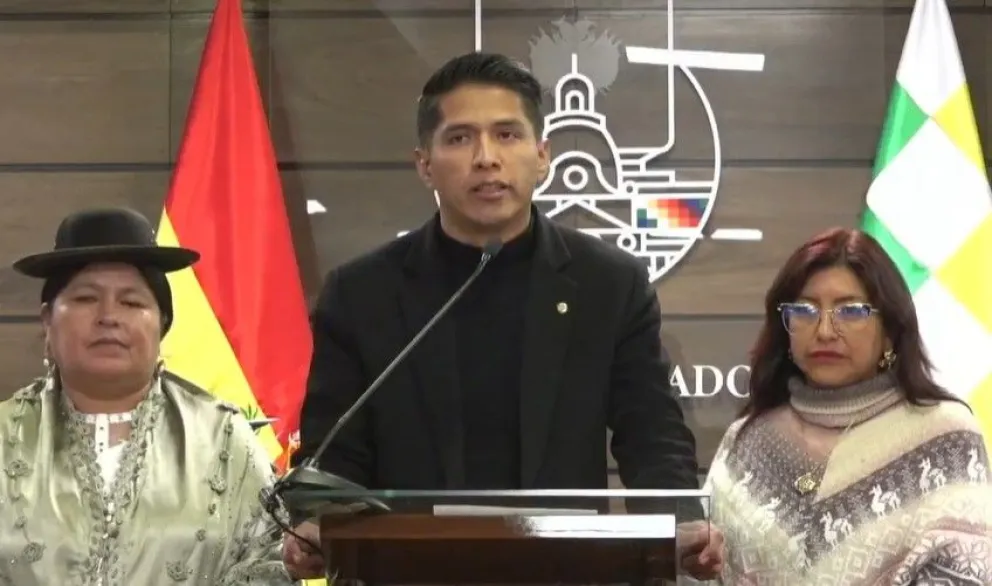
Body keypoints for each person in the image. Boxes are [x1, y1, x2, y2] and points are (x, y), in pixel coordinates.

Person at [283, 51, 722, 581]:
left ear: (542, 156)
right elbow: (336, 451)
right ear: (425, 164)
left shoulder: (608, 285)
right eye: (460, 138)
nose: (486, 157)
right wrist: (314, 520)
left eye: (507, 135)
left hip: (567, 572)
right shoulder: (361, 294)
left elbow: (650, 431)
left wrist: (681, 522)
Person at [0, 208, 295, 586]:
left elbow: (270, 565)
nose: (108, 316)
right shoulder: (6, 436)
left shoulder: (224, 439)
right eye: (87, 298)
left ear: (163, 323)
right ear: (47, 320)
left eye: (132, 302)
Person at [703, 227, 992, 584]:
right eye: (805, 311)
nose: (824, 330)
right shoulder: (748, 441)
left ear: (890, 329)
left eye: (850, 311)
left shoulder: (944, 437)